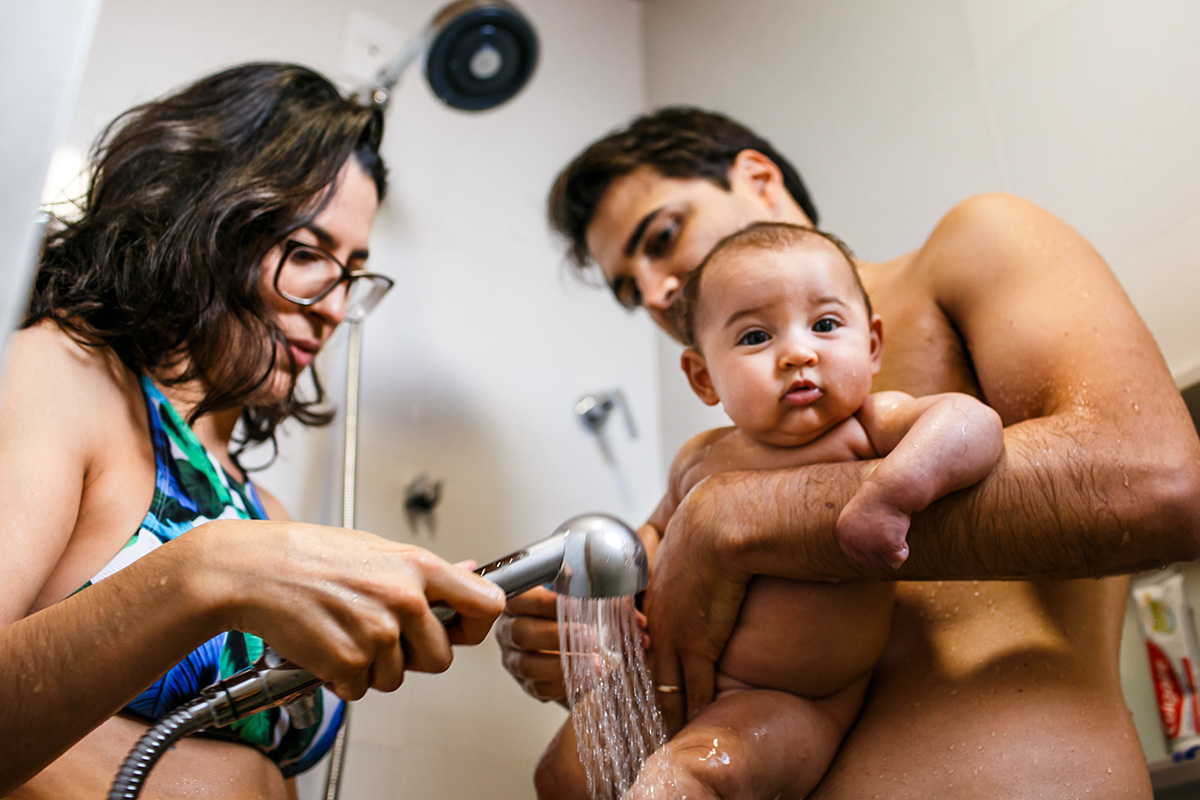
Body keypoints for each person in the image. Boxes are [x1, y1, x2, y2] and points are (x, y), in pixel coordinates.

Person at [497, 107, 1200, 798]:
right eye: (628, 290)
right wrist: (584, 634)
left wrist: (746, 516)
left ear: (759, 178)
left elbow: (1161, 482)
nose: (654, 292)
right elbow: (682, 659)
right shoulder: (733, 442)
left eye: (662, 236)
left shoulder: (967, 249)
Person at [0, 62, 507, 799]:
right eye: (307, 253)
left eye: (353, 271)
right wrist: (211, 571)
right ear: (201, 215)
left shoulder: (260, 508)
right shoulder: (64, 373)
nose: (332, 306)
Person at [534, 221, 1004, 799]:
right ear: (704, 377)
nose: (798, 353)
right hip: (667, 678)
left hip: (787, 701)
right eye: (756, 337)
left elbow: (971, 424)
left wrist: (892, 491)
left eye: (826, 325)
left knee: (685, 777)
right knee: (557, 776)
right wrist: (616, 598)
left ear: (873, 345)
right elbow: (654, 534)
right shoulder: (697, 458)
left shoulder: (868, 430)